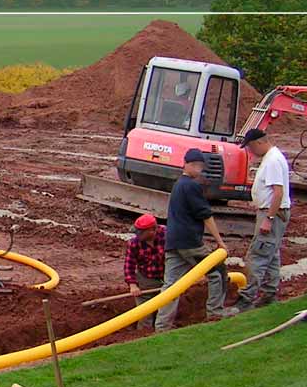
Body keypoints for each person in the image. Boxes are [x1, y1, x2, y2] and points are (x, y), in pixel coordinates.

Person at [157, 149, 231, 330]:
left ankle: (162, 325)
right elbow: (206, 215)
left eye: (201, 167)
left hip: (173, 242)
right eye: (196, 166)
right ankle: (215, 311)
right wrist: (220, 242)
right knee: (218, 272)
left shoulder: (178, 185)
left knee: (171, 287)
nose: (199, 170)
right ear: (186, 164)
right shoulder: (191, 186)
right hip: (190, 242)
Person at [230, 128, 291, 313]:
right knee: (271, 255)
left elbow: (278, 193)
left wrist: (269, 219)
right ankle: (269, 294)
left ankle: (246, 299)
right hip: (272, 213)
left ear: (259, 143)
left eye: (249, 147)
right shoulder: (272, 158)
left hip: (271, 213)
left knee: (258, 255)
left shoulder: (272, 161)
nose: (250, 151)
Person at [123, 214, 166, 301]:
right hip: (146, 278)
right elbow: (129, 265)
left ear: (152, 230)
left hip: (168, 276)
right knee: (144, 310)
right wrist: (133, 285)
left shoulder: (167, 234)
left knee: (167, 307)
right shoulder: (134, 243)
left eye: (140, 233)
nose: (137, 235)